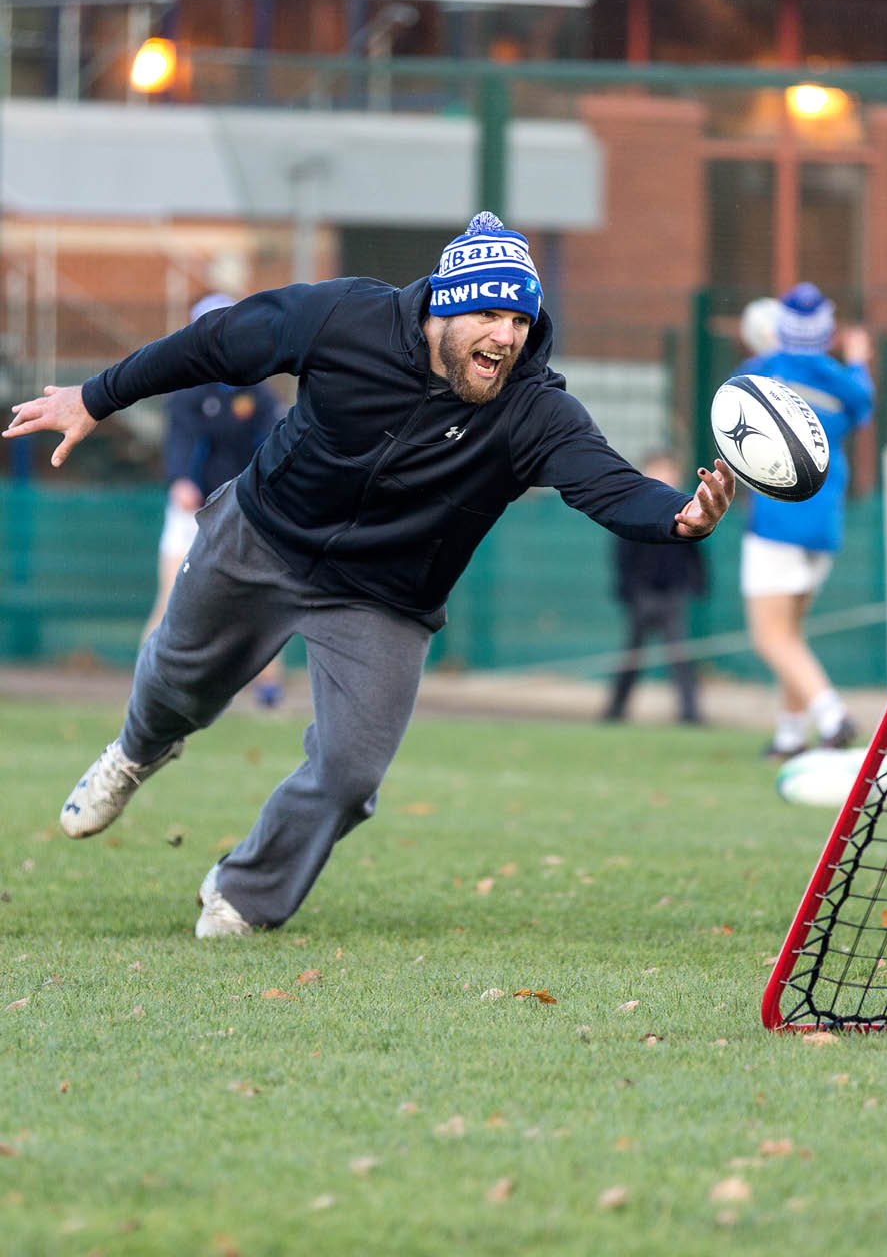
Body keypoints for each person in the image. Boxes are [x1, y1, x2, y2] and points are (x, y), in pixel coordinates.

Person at [5, 211, 736, 938]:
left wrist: (679, 517)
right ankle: (135, 753)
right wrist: (94, 397)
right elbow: (214, 343)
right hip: (261, 534)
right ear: (445, 307)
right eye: (489, 312)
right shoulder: (340, 318)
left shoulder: (534, 410)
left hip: (384, 597)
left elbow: (603, 481)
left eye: (520, 319)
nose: (507, 337)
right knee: (172, 683)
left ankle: (244, 892)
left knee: (350, 775)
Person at [735, 282, 874, 759]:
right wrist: (856, 359)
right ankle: (791, 736)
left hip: (776, 522)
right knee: (791, 637)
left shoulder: (761, 371)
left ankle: (832, 717)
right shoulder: (842, 381)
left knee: (770, 637)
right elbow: (863, 404)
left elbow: (734, 401)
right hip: (823, 526)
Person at [142, 292, 287, 707]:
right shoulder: (186, 390)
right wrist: (182, 480)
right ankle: (147, 689)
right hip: (190, 513)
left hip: (244, 512)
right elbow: (182, 444)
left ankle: (269, 692)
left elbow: (272, 440)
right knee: (170, 601)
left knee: (259, 602)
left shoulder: (256, 391)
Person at [603, 450, 707, 725]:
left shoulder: (687, 510)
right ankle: (615, 710)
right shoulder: (634, 508)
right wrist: (628, 590)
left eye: (668, 471)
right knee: (632, 657)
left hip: (673, 594)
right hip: (642, 595)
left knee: (681, 656)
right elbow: (622, 553)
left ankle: (690, 713)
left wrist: (697, 583)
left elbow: (694, 552)